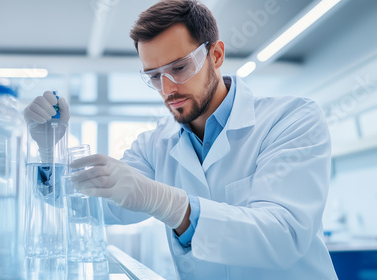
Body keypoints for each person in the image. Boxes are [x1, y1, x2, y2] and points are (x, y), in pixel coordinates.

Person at [24, 0, 338, 278]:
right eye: (154, 75)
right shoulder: (153, 146)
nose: (168, 88)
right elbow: (96, 205)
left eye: (179, 67)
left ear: (215, 55)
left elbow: (285, 236)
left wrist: (172, 205)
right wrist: (49, 149)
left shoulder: (291, 119)